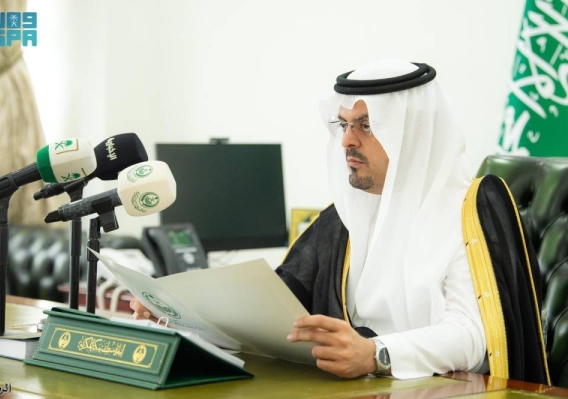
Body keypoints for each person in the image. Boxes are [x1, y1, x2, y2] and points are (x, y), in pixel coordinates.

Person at [131, 59, 547, 382]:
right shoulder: (343, 218)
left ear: (413, 133)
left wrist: (377, 354)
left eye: (367, 125)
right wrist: (179, 314)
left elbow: (473, 338)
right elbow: (271, 311)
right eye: (345, 124)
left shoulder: (470, 209)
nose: (347, 139)